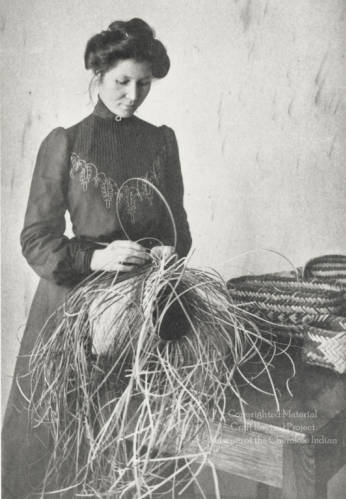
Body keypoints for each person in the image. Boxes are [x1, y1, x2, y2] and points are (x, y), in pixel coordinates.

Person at [2, 18, 192, 498]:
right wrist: (96, 259)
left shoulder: (161, 141)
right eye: (121, 82)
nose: (132, 94)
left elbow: (180, 230)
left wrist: (168, 250)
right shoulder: (65, 142)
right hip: (72, 310)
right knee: (63, 445)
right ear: (97, 76)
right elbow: (37, 239)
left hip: (144, 308)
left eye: (143, 84)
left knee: (140, 440)